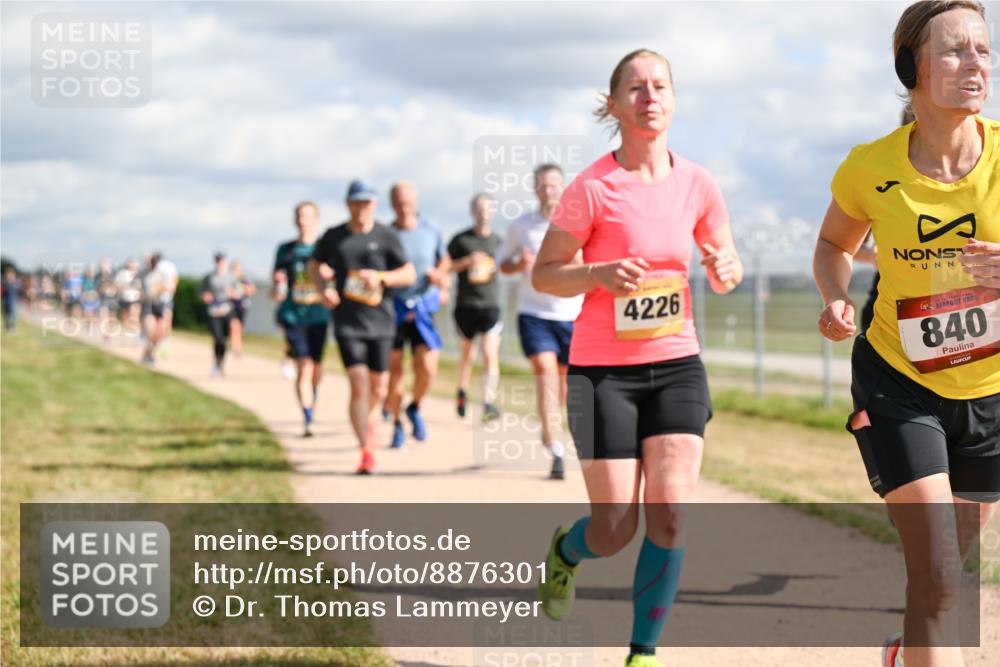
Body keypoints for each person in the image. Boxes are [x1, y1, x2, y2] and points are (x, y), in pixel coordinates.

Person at [532, 49, 743, 667]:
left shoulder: (698, 183)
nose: (650, 96)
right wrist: (595, 274)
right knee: (615, 526)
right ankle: (567, 552)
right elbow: (546, 274)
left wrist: (726, 268)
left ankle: (642, 653)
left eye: (660, 86)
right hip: (602, 373)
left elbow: (724, 266)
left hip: (677, 364)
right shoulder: (592, 187)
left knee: (670, 513)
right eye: (636, 87)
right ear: (614, 104)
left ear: (673, 99)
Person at [812, 3, 998, 666]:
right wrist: (836, 297)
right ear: (909, 68)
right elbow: (833, 245)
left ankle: (904, 652)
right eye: (954, 50)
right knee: (940, 581)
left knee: (941, 581)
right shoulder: (870, 166)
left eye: (983, 48)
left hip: (991, 394)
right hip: (900, 382)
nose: (975, 63)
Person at [309, 180, 415, 474]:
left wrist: (380, 277)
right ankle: (366, 450)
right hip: (347, 322)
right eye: (356, 202)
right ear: (348, 204)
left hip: (381, 322)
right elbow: (314, 265)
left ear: (375, 205)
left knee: (378, 387)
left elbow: (408, 273)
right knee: (358, 384)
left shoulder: (386, 236)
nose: (361, 208)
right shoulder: (334, 236)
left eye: (366, 203)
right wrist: (323, 290)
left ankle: (369, 422)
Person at [498, 163, 583, 479]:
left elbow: (590, 266)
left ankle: (550, 425)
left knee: (563, 385)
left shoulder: (578, 224)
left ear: (564, 188)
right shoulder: (522, 226)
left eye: (554, 185)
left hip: (571, 314)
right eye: (543, 185)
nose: (549, 191)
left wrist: (578, 262)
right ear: (535, 189)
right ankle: (556, 448)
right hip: (534, 313)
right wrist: (518, 264)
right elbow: (502, 264)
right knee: (545, 374)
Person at [384, 182, 451, 448]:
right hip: (394, 307)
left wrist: (441, 278)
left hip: (423, 307)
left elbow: (444, 260)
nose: (404, 208)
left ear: (416, 202)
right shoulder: (386, 234)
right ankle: (397, 423)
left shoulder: (431, 230)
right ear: (392, 204)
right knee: (395, 370)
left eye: (408, 203)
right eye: (399, 204)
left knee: (427, 366)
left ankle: (415, 407)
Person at [273, 201, 331, 437]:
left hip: (319, 315)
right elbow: (277, 283)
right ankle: (308, 417)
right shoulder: (285, 250)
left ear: (316, 220)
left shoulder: (325, 248)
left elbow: (336, 278)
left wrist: (327, 275)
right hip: (293, 314)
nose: (302, 220)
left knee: (316, 368)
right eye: (298, 215)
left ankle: (312, 399)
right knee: (304, 365)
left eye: (307, 216)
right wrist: (277, 284)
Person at [859, 108, 919, 334]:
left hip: (955, 299)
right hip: (889, 301)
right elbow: (845, 245)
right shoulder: (883, 179)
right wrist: (875, 255)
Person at [447, 192, 504, 420]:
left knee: (490, 353)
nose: (484, 214)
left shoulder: (499, 241)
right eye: (480, 209)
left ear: (493, 212)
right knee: (467, 355)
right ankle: (462, 391)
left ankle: (489, 402)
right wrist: (467, 262)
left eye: (488, 209)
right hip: (465, 305)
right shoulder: (460, 240)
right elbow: (446, 266)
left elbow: (508, 265)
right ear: (473, 212)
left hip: (490, 304)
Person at [200, 252, 238, 376]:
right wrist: (205, 296)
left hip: (227, 309)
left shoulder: (232, 277)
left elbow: (238, 292)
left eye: (221, 260)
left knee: (224, 339)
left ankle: (221, 363)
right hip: (214, 310)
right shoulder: (209, 277)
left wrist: (233, 293)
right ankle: (216, 363)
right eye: (217, 260)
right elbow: (202, 291)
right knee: (217, 338)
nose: (219, 263)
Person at [229, 260, 256, 358]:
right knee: (233, 326)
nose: (236, 271)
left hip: (243, 306)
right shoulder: (229, 280)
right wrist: (232, 294)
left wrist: (245, 289)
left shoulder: (245, 279)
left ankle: (238, 348)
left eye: (238, 269)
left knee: (240, 328)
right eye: (234, 269)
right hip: (232, 306)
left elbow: (252, 290)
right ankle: (233, 348)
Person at [115, 258, 143, 329]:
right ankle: (126, 327)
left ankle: (134, 327)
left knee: (135, 313)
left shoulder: (139, 274)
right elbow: (117, 284)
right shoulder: (122, 273)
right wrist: (121, 289)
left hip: (136, 297)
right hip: (125, 297)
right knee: (126, 313)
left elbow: (142, 286)